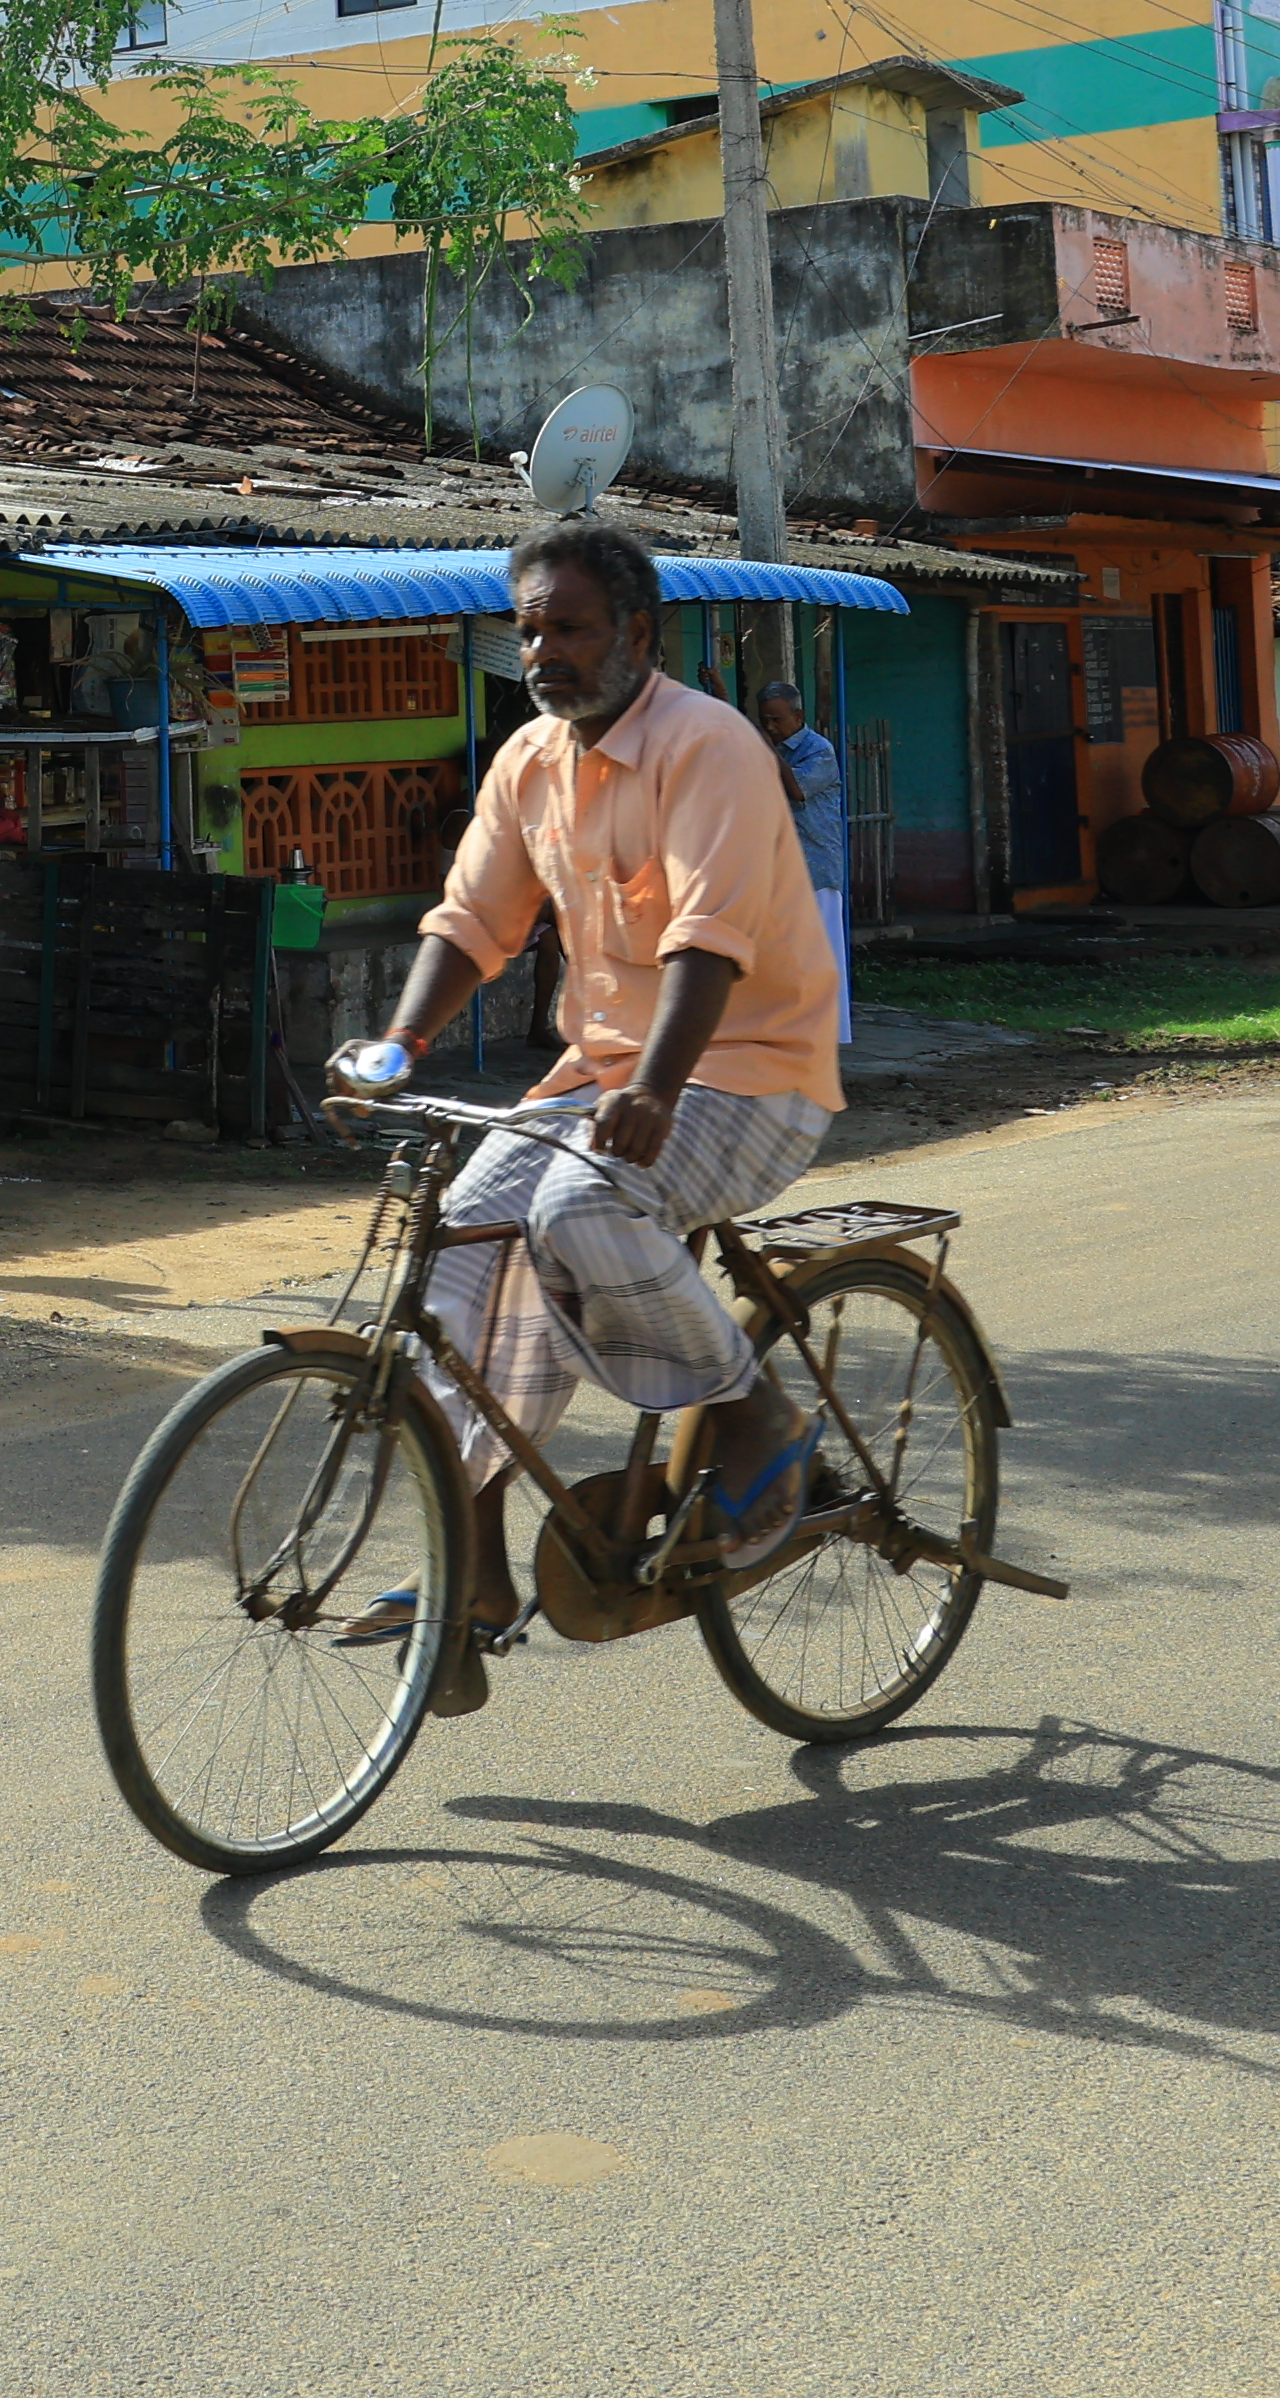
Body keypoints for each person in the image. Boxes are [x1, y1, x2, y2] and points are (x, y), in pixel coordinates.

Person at [322, 518, 846, 1705]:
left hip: (749, 1069)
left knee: (577, 1205)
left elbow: (709, 937)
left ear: (637, 635)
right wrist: (401, 1044)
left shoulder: (708, 746)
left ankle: (761, 1420)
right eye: (528, 630)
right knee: (461, 1244)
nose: (545, 651)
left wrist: (656, 1085)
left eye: (570, 626)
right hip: (600, 1081)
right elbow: (473, 922)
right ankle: (478, 1571)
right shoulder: (529, 762)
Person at [752, 674, 854, 1052]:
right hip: (782, 869)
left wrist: (765, 748)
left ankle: (827, 1031)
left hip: (817, 869)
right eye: (765, 720)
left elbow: (795, 790)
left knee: (821, 955)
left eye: (777, 720)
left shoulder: (818, 750)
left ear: (799, 715)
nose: (771, 727)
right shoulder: (770, 748)